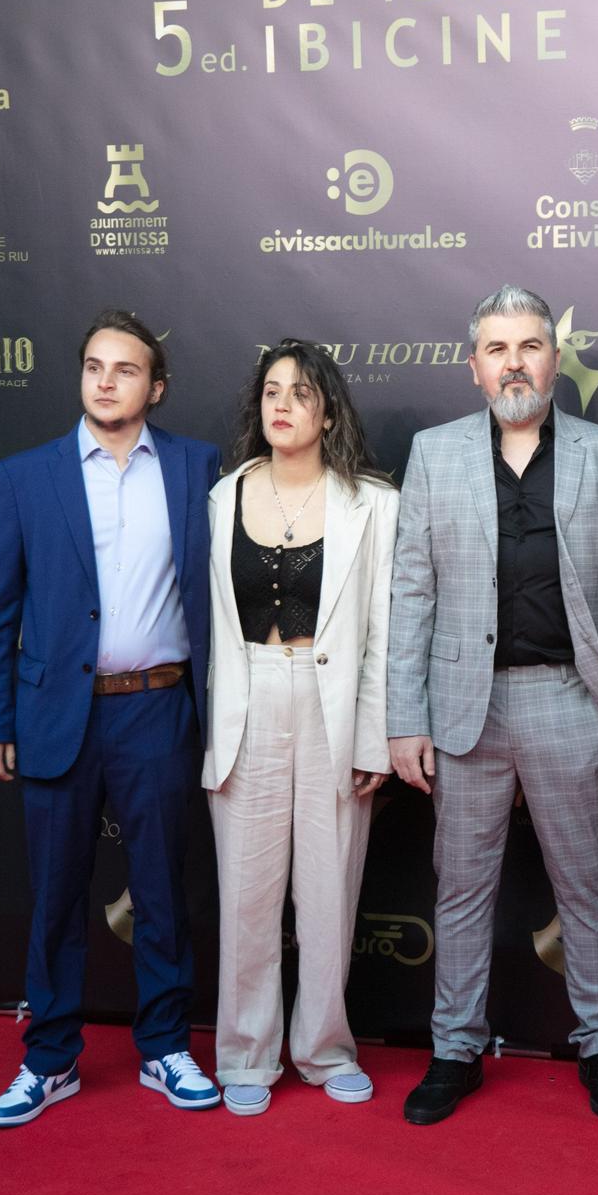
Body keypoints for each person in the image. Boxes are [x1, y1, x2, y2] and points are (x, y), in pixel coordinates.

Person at [387, 283, 598, 1125]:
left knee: (587, 883)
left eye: (529, 346)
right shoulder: (434, 452)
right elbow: (412, 590)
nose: (514, 363)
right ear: (474, 368)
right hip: (465, 705)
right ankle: (455, 1048)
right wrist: (404, 716)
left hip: (571, 697)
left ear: (555, 360)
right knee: (460, 889)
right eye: (496, 349)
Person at [0, 309, 223, 1126]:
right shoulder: (24, 476)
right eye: (94, 367)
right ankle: (49, 1058)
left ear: (157, 385)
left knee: (162, 892)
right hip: (53, 715)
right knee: (55, 896)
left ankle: (165, 1046)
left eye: (125, 369)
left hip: (158, 708)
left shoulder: (197, 467)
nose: (106, 381)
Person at [202, 339, 399, 1116]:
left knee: (329, 889)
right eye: (272, 390)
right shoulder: (223, 497)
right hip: (246, 699)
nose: (282, 404)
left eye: (301, 393)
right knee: (246, 894)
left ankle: (325, 1049)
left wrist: (375, 735)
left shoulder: (373, 503)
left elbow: (382, 633)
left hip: (333, 703)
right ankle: (245, 1056)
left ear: (327, 411)